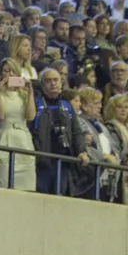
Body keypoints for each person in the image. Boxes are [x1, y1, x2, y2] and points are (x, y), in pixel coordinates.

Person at [0, 35, 36, 192]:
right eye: (5, 71)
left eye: (12, 72)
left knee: (27, 188)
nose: (9, 75)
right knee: (3, 185)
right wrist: (0, 93)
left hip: (23, 139)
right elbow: (0, 116)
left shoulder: (23, 95)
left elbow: (31, 116)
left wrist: (30, 93)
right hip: (5, 138)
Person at [31, 67, 86, 196]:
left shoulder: (66, 106)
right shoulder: (35, 103)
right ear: (42, 84)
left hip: (64, 162)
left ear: (61, 83)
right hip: (42, 162)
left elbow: (76, 131)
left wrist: (82, 151)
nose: (53, 83)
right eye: (48, 80)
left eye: (56, 80)